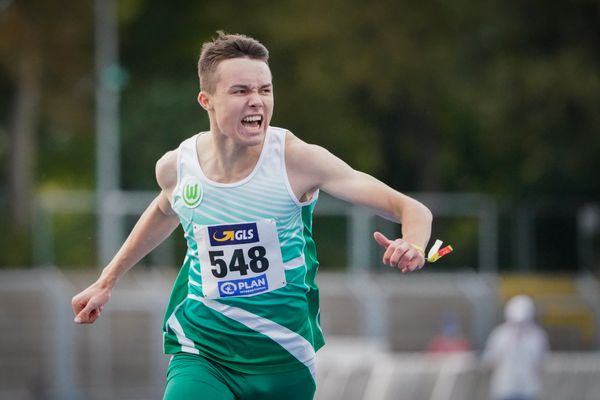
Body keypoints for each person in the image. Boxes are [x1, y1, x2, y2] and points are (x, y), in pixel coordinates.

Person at [71, 31, 433, 400]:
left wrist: (414, 243)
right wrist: (107, 280)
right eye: (241, 91)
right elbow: (165, 210)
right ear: (206, 100)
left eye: (265, 90)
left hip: (284, 355)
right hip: (203, 351)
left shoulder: (296, 161)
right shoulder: (177, 168)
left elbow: (411, 208)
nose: (257, 102)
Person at [482, 295, 549, 400]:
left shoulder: (537, 336)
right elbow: (489, 361)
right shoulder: (500, 335)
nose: (519, 327)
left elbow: (541, 364)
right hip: (504, 389)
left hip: (528, 390)